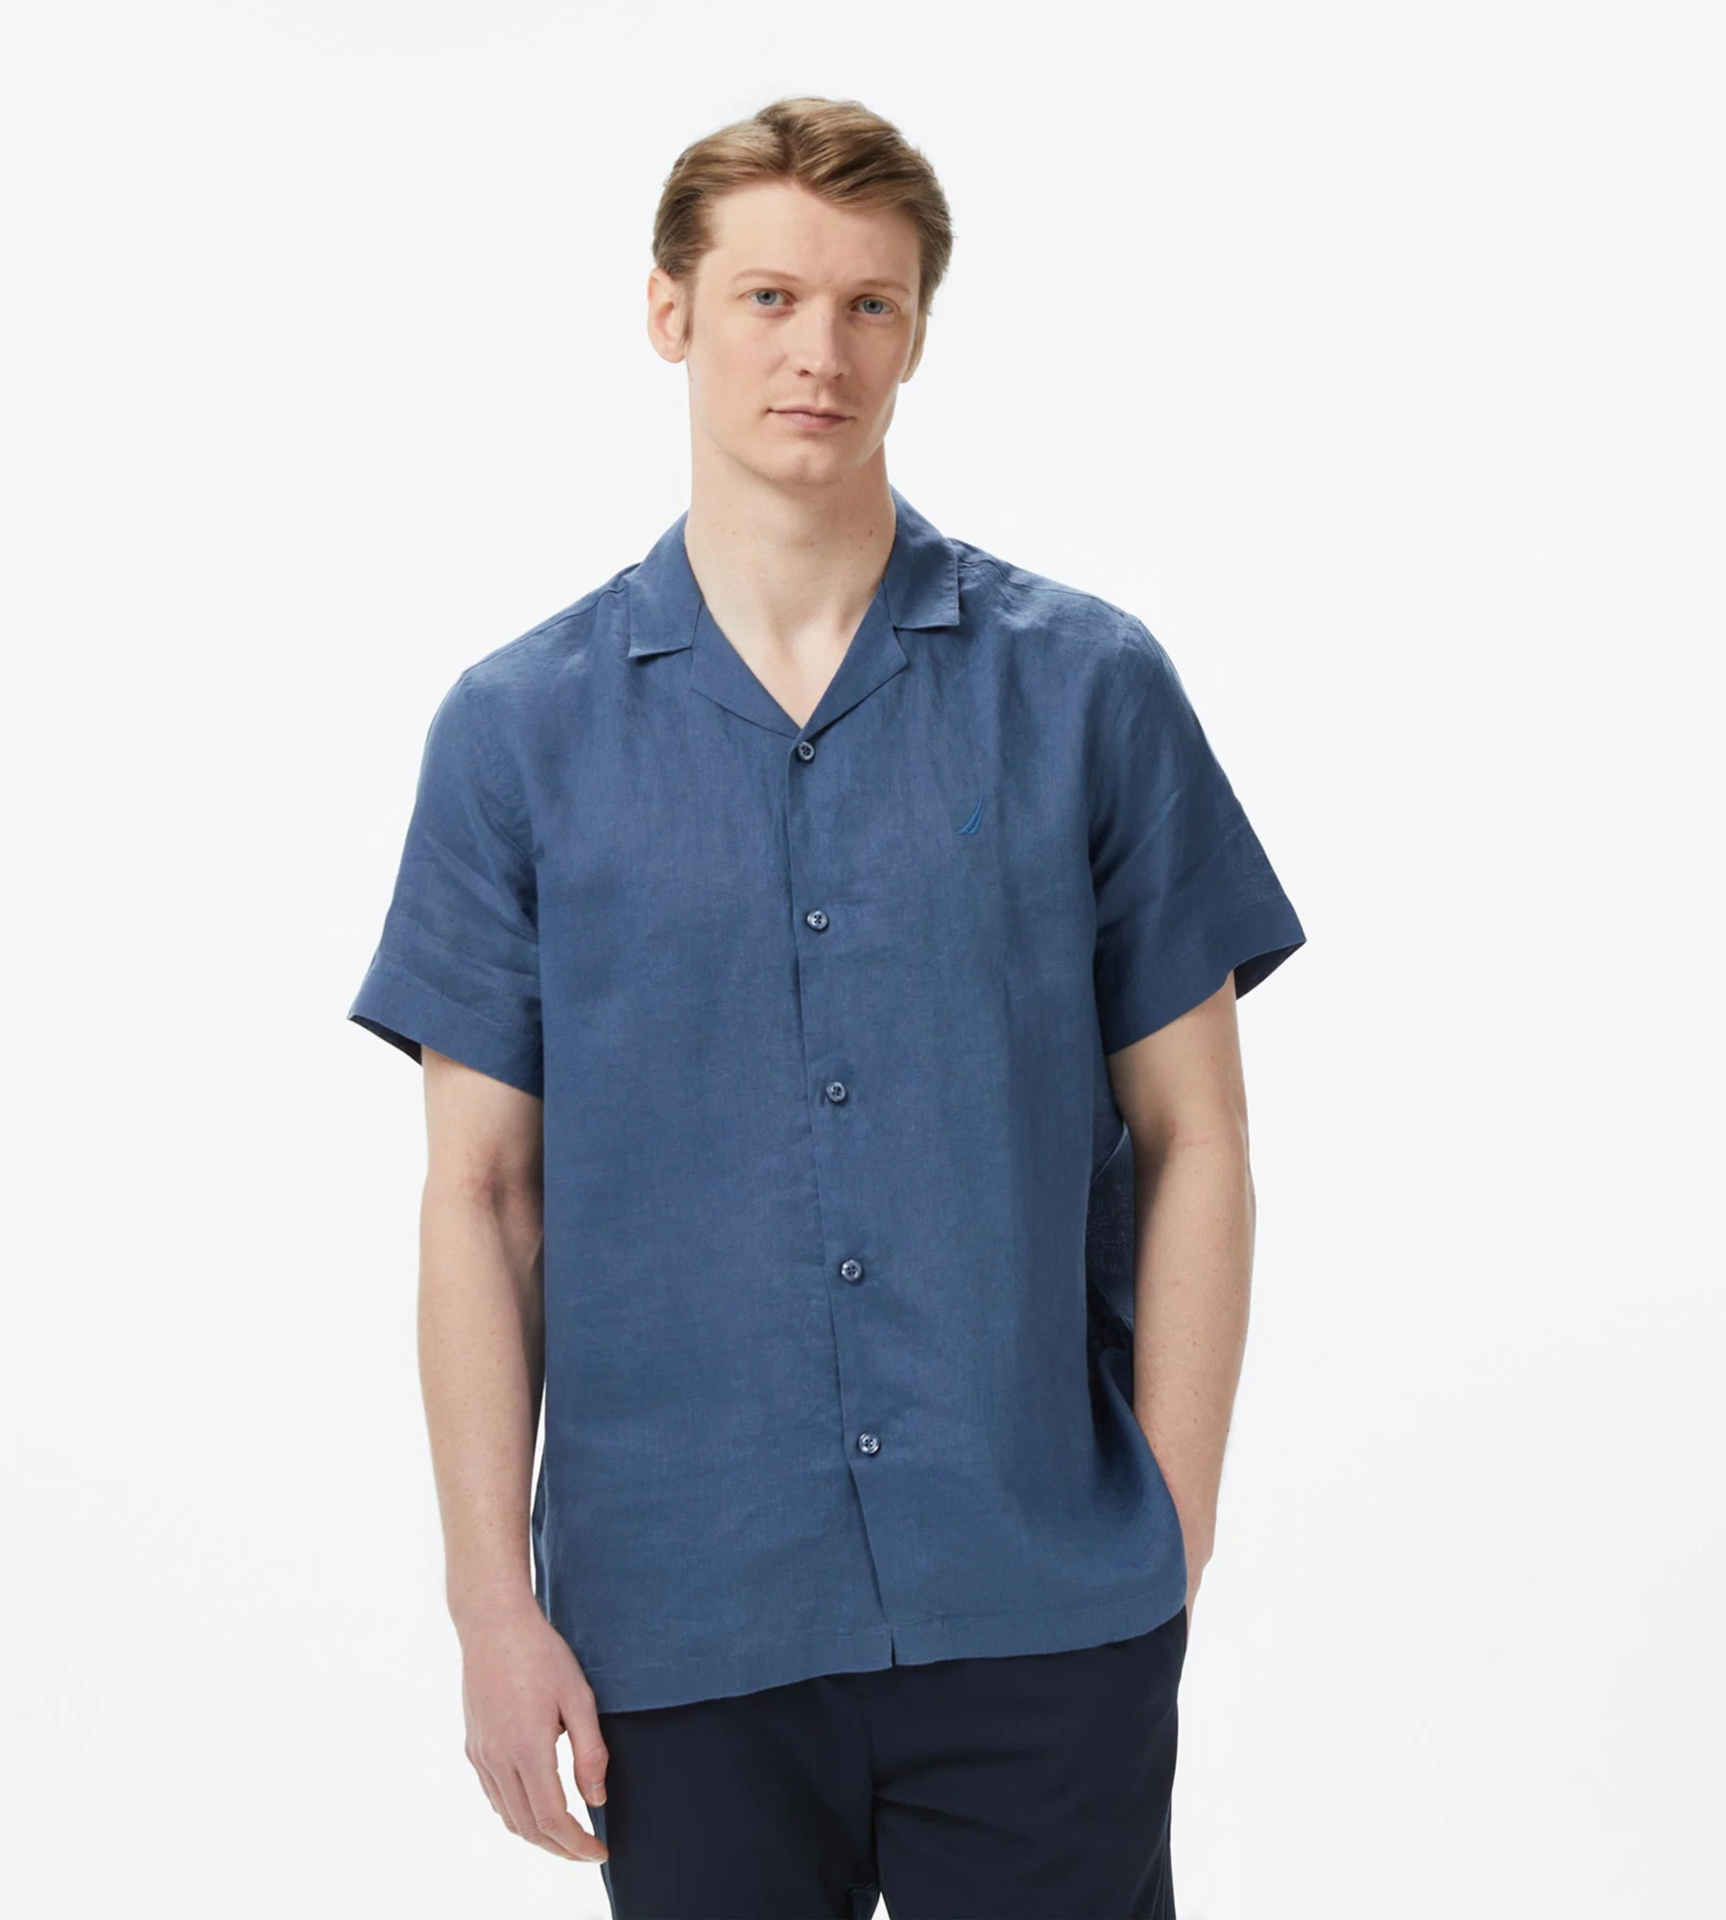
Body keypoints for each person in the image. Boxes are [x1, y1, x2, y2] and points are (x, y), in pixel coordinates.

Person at [347, 94, 1306, 1920]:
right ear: (670, 312)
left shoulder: (1088, 691)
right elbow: (481, 1196)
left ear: (920, 334)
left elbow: (1201, 1137)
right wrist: (489, 1606)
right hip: (679, 1626)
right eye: (771, 297)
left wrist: (1166, 1542)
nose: (820, 353)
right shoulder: (516, 733)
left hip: (1041, 1606)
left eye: (871, 305)